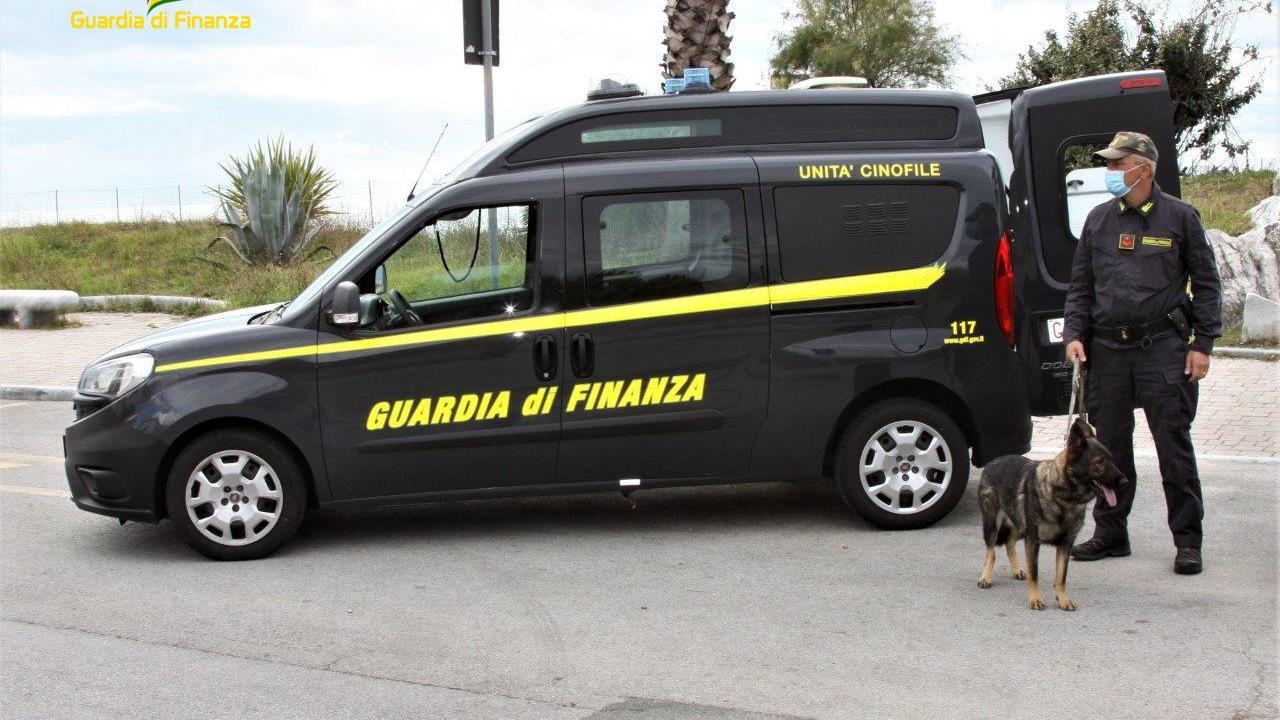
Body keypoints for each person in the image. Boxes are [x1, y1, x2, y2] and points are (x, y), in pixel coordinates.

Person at [1062, 131, 1221, 575]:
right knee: (1107, 451)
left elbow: (1207, 285)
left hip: (1162, 350)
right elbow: (1081, 288)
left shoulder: (1180, 218)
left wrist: (1202, 345)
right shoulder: (1098, 220)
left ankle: (1188, 541)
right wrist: (1075, 333)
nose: (1110, 172)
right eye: (1110, 164)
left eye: (1117, 164)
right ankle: (1111, 533)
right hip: (1109, 352)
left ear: (1143, 169)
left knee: (1173, 447)